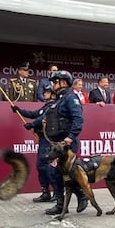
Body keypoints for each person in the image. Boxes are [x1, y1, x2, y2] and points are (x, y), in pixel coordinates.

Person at [25, 70, 87, 215]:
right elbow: (44, 117)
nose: (52, 84)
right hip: (56, 143)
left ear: (63, 83)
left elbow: (78, 119)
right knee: (54, 173)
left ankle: (82, 195)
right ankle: (60, 204)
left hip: (67, 142)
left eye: (55, 82)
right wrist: (35, 124)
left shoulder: (71, 98)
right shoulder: (58, 101)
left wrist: (71, 137)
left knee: (69, 174)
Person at [13, 82, 58, 202]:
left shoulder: (53, 107)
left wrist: (31, 124)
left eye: (48, 92)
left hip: (49, 140)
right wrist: (19, 110)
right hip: (43, 139)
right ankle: (46, 191)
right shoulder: (45, 106)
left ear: (53, 95)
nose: (45, 94)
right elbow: (34, 114)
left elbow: (41, 119)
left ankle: (56, 191)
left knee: (44, 165)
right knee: (42, 166)